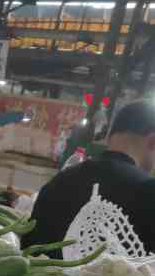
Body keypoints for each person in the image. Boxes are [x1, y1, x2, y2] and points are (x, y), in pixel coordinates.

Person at [22, 101, 155, 257]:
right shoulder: (149, 191)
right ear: (152, 141)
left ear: (110, 136)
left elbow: (27, 247)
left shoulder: (61, 179)